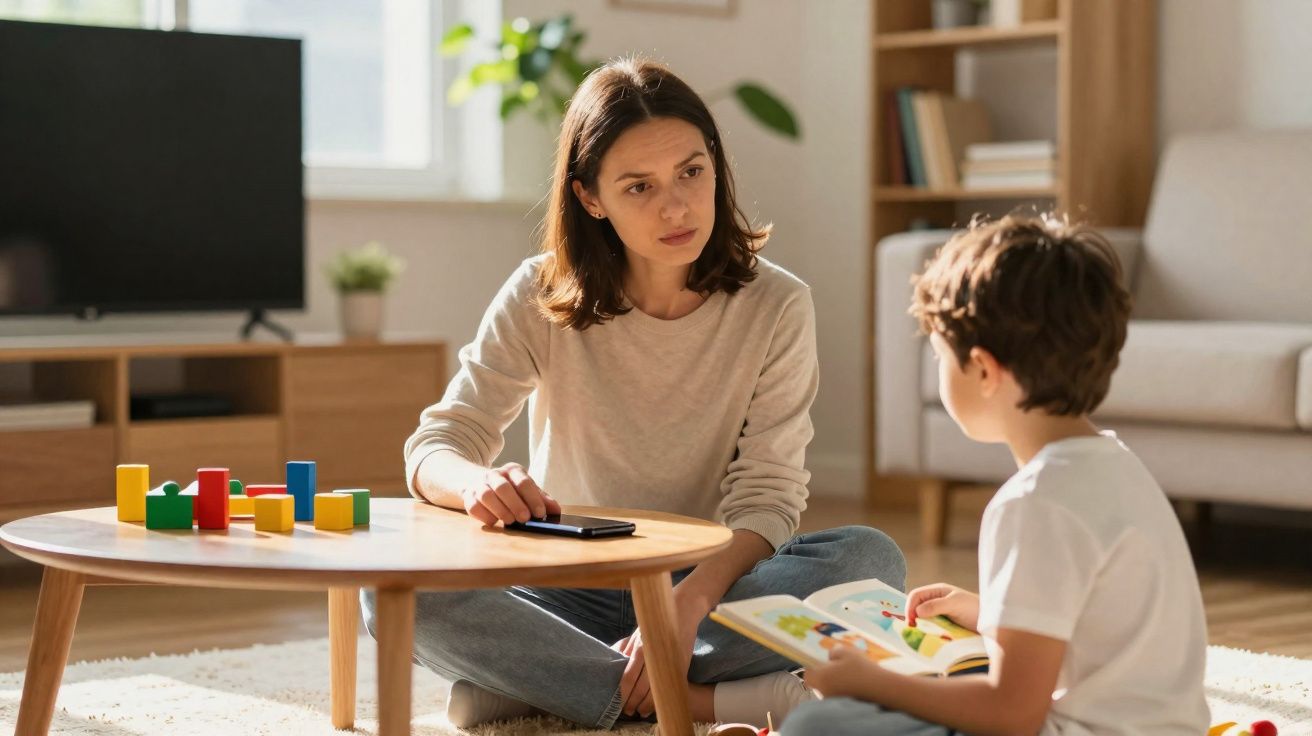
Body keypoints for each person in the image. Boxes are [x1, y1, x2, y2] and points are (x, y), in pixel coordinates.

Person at [359, 57, 906, 730]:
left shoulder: (778, 304)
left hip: (707, 588)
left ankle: (539, 684)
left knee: (868, 561)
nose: (676, 206)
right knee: (390, 593)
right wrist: (475, 482)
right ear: (591, 197)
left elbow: (768, 495)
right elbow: (437, 444)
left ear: (715, 164)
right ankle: (681, 697)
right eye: (639, 187)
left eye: (691, 172)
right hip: (562, 587)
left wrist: (685, 607)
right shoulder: (539, 293)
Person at [783, 214, 1210, 735]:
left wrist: (871, 683)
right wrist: (993, 614)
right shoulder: (1119, 466)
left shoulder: (1033, 502)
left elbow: (1014, 714)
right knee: (946, 673)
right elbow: (1103, 628)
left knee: (820, 724)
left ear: (984, 370)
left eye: (940, 356)